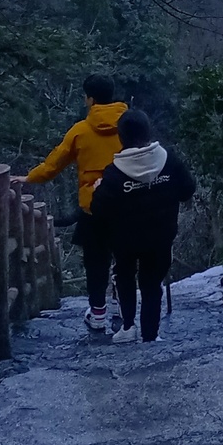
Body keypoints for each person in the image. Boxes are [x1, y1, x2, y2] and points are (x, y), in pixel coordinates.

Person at [25, 74, 128, 334]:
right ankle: (122, 308)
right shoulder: (130, 125)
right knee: (125, 259)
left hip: (94, 209)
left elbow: (52, 166)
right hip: (128, 203)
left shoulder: (80, 131)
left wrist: (27, 178)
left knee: (96, 263)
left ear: (90, 99)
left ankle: (98, 314)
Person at [89, 109, 196, 344]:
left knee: (125, 276)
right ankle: (151, 334)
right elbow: (188, 189)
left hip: (124, 240)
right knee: (151, 284)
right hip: (161, 235)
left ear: (121, 137)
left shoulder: (114, 173)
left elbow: (98, 210)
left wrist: (98, 188)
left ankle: (128, 327)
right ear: (149, 131)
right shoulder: (169, 160)